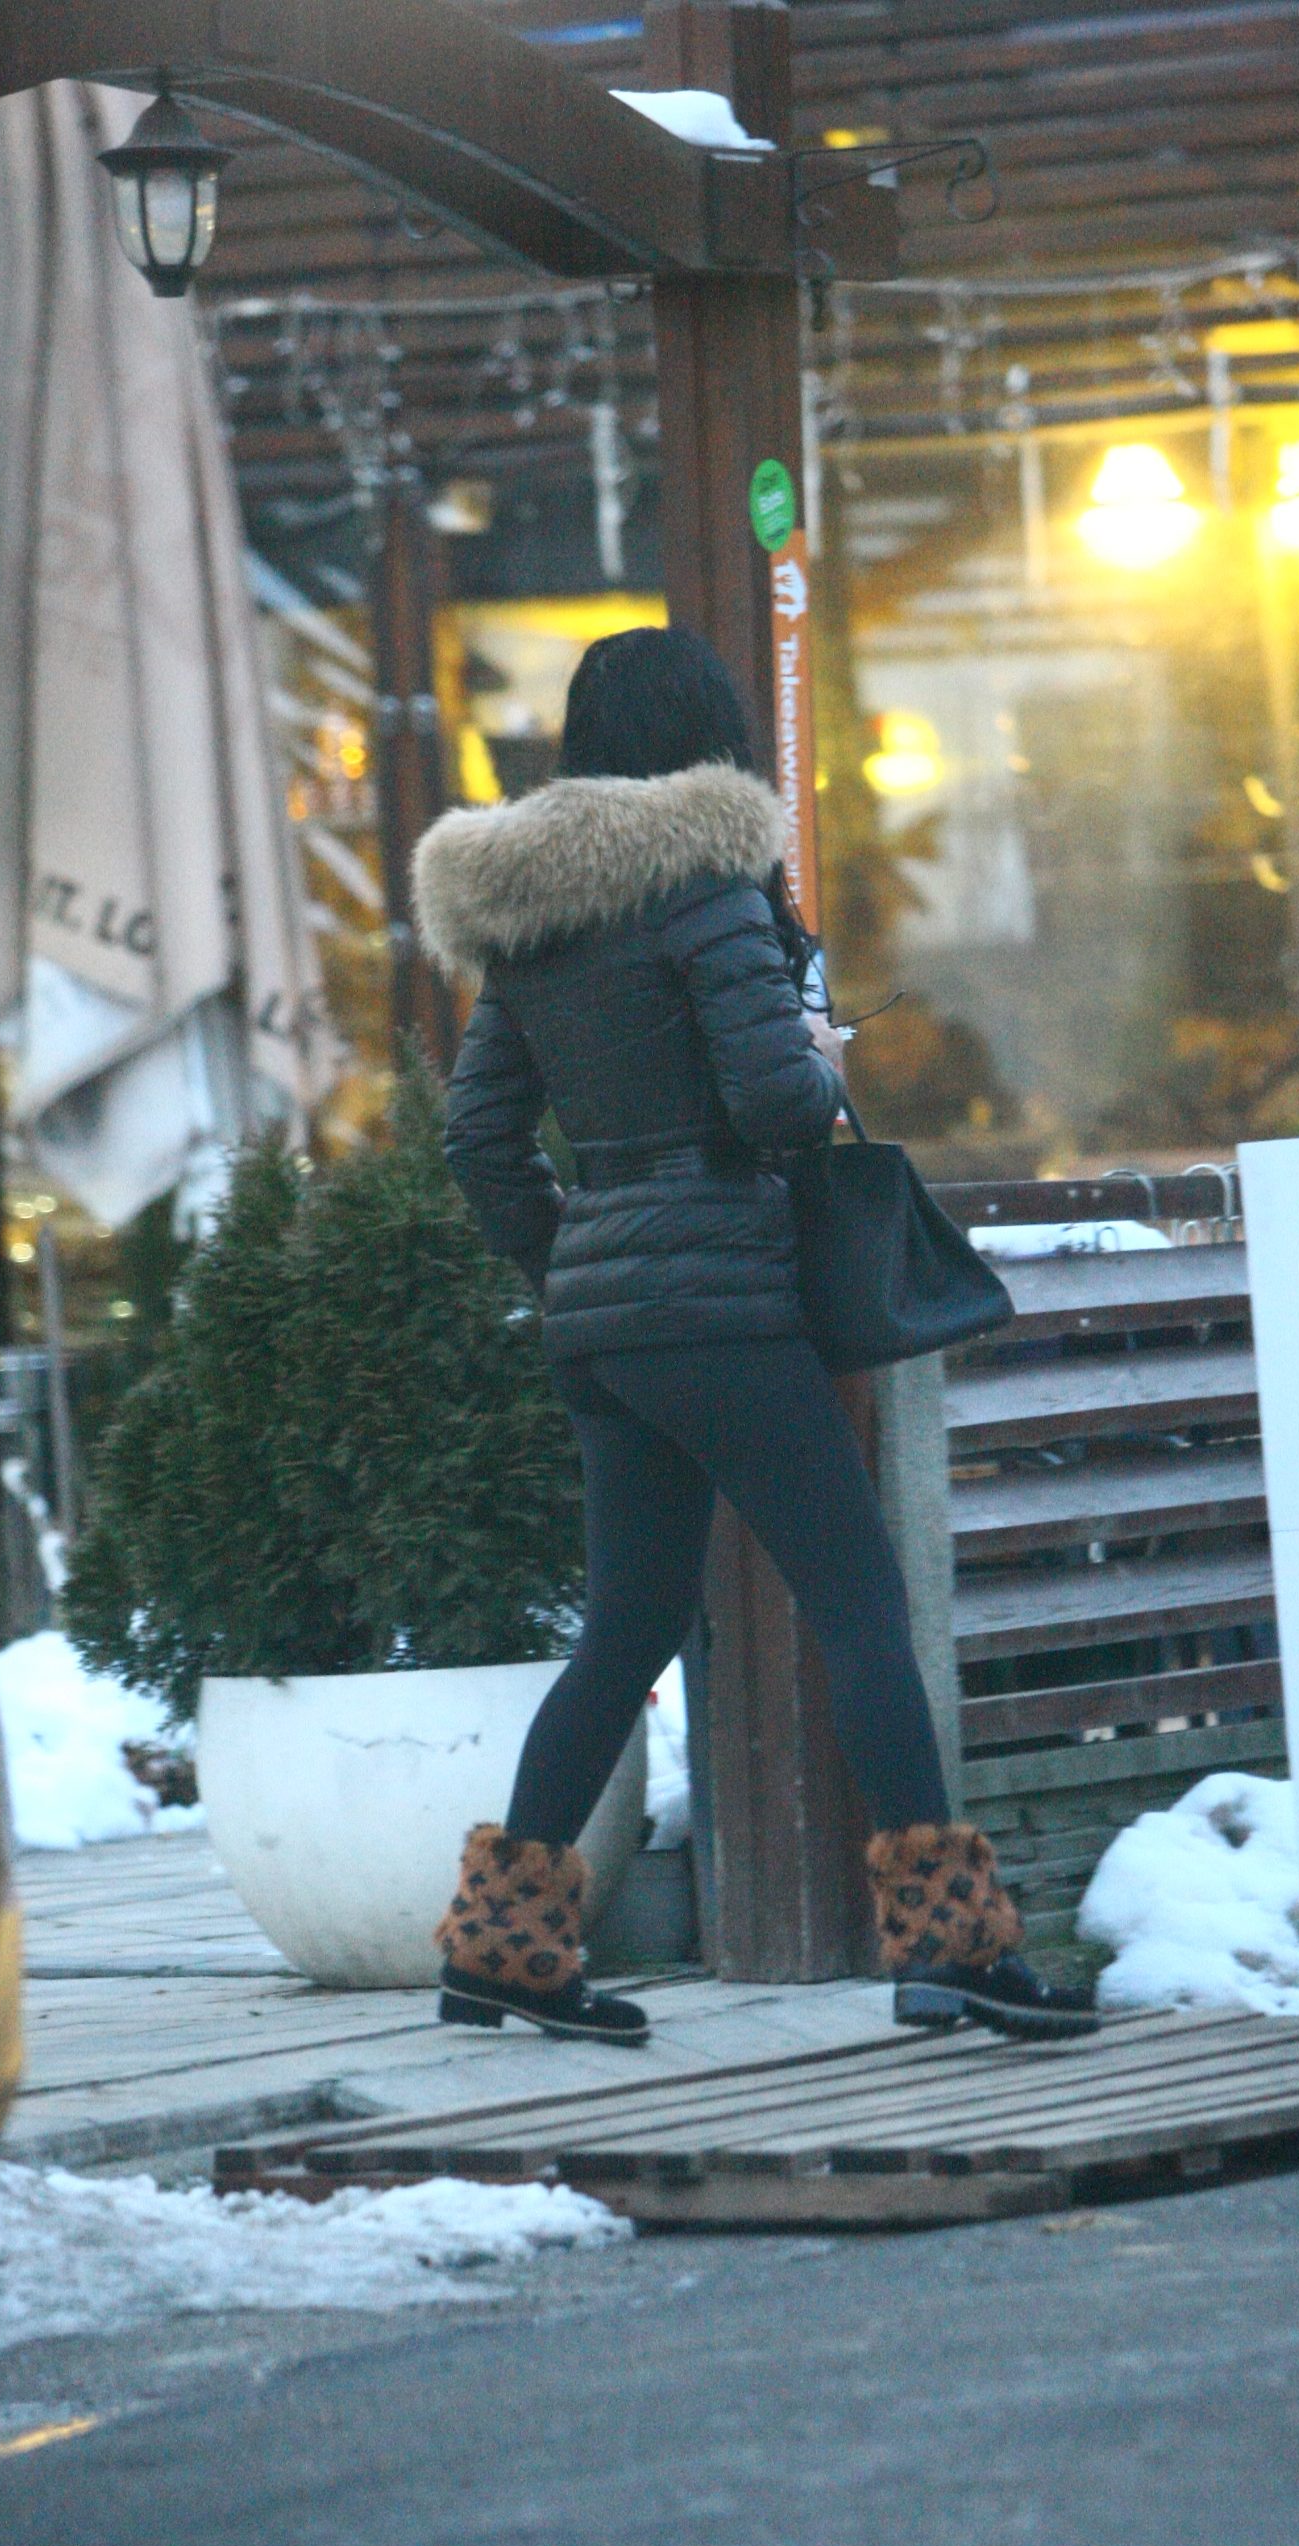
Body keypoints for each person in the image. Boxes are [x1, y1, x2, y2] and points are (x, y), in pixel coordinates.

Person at [412, 626, 1095, 2048]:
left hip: (607, 1324)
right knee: (860, 1604)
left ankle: (501, 1949)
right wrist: (820, 1053)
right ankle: (953, 1947)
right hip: (720, 1300)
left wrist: (580, 1258)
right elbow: (778, 1104)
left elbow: (479, 1141)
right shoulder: (708, 883)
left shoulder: (527, 919)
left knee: (628, 1628)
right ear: (706, 732)